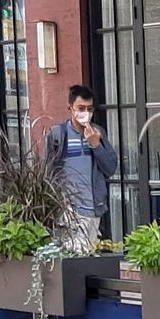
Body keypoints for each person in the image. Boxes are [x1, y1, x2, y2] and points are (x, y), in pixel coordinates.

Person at [43, 83, 117, 251]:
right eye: (81, 108)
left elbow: (110, 168)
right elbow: (47, 172)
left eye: (89, 109)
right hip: (67, 210)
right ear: (71, 107)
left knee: (87, 256)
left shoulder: (98, 133)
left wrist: (96, 145)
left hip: (93, 208)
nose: (86, 113)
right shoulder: (58, 134)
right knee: (72, 256)